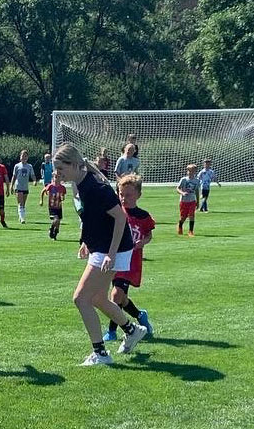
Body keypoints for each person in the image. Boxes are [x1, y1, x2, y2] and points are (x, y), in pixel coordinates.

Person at [53, 143, 147, 365]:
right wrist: (86, 241)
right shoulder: (79, 184)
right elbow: (89, 217)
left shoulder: (96, 187)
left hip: (112, 249)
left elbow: (120, 218)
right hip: (101, 247)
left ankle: (101, 353)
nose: (57, 173)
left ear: (75, 165)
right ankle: (132, 330)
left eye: (60, 168)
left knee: (80, 299)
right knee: (96, 298)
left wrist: (111, 254)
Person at [102, 174, 155, 342]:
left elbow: (148, 235)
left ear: (138, 195)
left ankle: (112, 331)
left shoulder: (143, 216)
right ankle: (139, 315)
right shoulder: (116, 212)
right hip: (114, 259)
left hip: (131, 262)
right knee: (121, 298)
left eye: (128, 195)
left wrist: (143, 242)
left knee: (116, 294)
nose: (123, 198)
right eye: (121, 194)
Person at [10, 150, 37, 224]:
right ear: (20, 157)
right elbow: (14, 176)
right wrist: (11, 186)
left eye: (26, 156)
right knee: (20, 203)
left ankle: (20, 215)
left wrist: (34, 181)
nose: (24, 157)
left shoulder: (29, 166)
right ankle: (22, 218)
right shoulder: (17, 166)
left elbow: (32, 175)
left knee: (23, 204)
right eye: (23, 156)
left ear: (27, 157)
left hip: (25, 187)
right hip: (18, 186)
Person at [40, 171, 66, 240]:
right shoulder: (51, 186)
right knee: (56, 219)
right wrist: (41, 200)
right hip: (52, 206)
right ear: (53, 178)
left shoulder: (62, 187)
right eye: (56, 177)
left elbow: (63, 196)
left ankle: (55, 233)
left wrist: (62, 198)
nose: (57, 178)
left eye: (59, 177)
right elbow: (43, 191)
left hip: (59, 207)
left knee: (58, 222)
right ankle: (51, 228)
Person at [176, 164, 200, 236]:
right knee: (183, 217)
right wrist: (182, 193)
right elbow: (177, 188)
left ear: (195, 172)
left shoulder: (197, 181)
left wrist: (197, 202)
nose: (190, 172)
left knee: (192, 215)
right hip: (183, 201)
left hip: (192, 201)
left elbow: (197, 191)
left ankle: (191, 231)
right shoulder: (183, 179)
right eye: (189, 170)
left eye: (192, 170)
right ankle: (180, 226)